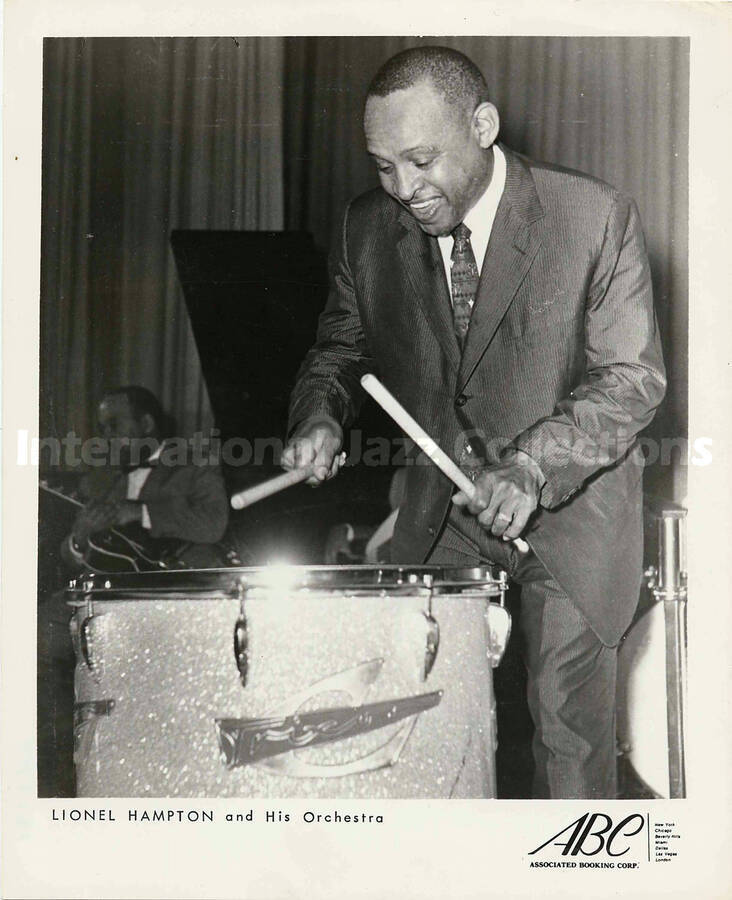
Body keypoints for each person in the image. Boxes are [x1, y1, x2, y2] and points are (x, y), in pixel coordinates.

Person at [282, 46, 666, 799]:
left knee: (568, 740)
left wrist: (529, 465)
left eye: (423, 160)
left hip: (574, 508)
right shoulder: (368, 228)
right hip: (445, 516)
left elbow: (631, 378)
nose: (404, 189)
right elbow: (338, 348)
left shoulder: (593, 215)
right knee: (426, 726)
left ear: (483, 126)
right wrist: (320, 414)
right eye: (383, 166)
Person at [38, 385, 230, 796]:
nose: (105, 437)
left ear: (145, 424)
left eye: (114, 426)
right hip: (105, 595)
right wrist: (78, 536)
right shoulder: (102, 478)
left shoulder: (195, 461)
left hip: (163, 594)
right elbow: (70, 556)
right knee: (35, 631)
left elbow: (213, 525)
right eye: (102, 428)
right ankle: (54, 767)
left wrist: (139, 512)